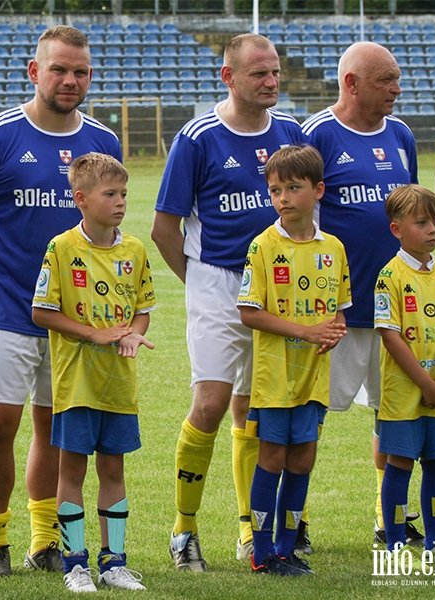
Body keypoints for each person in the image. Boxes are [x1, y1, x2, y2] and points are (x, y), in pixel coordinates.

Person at [0, 25, 122, 577]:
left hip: (76, 321)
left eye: (81, 71)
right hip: (7, 310)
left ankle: (44, 539)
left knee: (54, 428)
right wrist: (9, 269)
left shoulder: (104, 142)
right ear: (34, 72)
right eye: (59, 69)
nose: (70, 80)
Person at [151, 33, 306, 569]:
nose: (271, 82)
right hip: (217, 284)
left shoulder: (291, 133)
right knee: (212, 404)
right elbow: (164, 228)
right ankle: (184, 529)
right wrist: (198, 282)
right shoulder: (198, 137)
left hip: (277, 289)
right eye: (259, 73)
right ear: (229, 77)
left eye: (275, 72)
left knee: (255, 412)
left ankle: (249, 528)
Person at [302, 41, 420, 546]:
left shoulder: (401, 135)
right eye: (386, 80)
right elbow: (291, 219)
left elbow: (411, 215)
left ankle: (390, 517)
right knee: (309, 416)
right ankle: (295, 518)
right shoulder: (316, 135)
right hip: (336, 312)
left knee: (395, 416)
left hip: (394, 307)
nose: (397, 89)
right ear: (351, 83)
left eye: (396, 79)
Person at [31, 152, 155, 592]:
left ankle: (114, 561)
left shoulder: (135, 250)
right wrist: (93, 333)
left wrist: (132, 335)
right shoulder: (62, 248)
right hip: (76, 386)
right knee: (73, 472)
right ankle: (75, 563)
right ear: (81, 199)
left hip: (119, 386)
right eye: (110, 194)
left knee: (114, 470)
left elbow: (142, 311)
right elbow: (42, 311)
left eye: (123, 193)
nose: (120, 201)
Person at [237, 144, 350, 575]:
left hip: (313, 377)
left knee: (303, 458)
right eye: (274, 190)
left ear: (318, 190)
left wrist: (334, 330)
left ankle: (287, 548)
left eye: (293, 188)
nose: (282, 198)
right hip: (275, 377)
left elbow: (340, 307)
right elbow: (249, 311)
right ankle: (262, 554)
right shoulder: (263, 246)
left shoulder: (333, 248)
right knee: (272, 459)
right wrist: (306, 331)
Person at [374, 185, 435, 553]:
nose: (432, 229)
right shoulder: (390, 276)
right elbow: (390, 336)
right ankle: (395, 543)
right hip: (403, 395)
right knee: (400, 462)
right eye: (421, 223)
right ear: (397, 229)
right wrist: (425, 384)